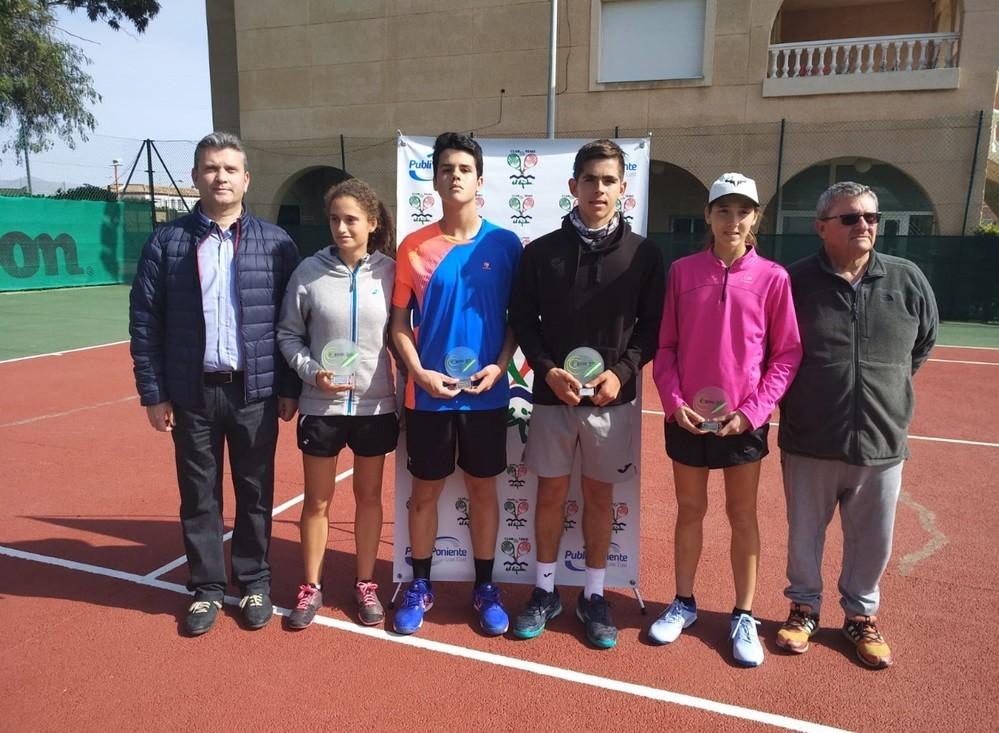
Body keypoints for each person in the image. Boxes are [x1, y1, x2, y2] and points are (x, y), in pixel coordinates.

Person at [129, 131, 300, 636]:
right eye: (210, 168)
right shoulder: (167, 242)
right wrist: (154, 393)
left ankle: (254, 582)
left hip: (255, 392)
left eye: (229, 169)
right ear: (195, 177)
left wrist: (289, 386)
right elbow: (145, 321)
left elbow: (293, 322)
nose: (220, 177)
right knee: (199, 494)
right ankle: (205, 588)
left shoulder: (276, 243)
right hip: (192, 393)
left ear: (246, 179)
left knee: (255, 491)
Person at [508, 139, 664, 649]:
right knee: (550, 495)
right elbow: (523, 322)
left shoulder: (644, 254)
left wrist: (621, 372)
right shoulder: (541, 253)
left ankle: (594, 596)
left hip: (611, 402)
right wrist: (547, 370)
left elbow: (652, 329)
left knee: (599, 498)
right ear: (574, 186)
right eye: (590, 179)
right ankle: (545, 590)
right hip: (552, 398)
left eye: (609, 180)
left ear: (623, 188)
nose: (599, 188)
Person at [775, 181, 937, 669]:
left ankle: (860, 616)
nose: (863, 225)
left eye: (871, 217)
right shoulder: (794, 282)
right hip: (810, 439)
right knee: (805, 534)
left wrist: (884, 390)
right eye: (850, 218)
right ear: (822, 227)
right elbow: (773, 349)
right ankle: (803, 608)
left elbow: (922, 344)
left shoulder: (907, 279)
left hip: (883, 441)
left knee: (873, 539)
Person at [649, 173, 802, 666]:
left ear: (756, 217)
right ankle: (684, 602)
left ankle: (743, 614)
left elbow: (786, 355)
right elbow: (666, 347)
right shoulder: (682, 272)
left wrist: (752, 413)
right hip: (688, 418)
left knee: (742, 515)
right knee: (690, 510)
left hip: (743, 421)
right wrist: (674, 403)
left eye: (743, 211)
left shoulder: (774, 277)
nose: (733, 221)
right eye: (723, 210)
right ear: (708, 215)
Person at [389, 132, 522, 636]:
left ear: (479, 180)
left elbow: (516, 321)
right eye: (446, 168)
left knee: (483, 492)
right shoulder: (413, 247)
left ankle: (485, 588)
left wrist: (501, 367)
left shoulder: (504, 245)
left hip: (486, 396)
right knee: (424, 494)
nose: (455, 176)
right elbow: (399, 325)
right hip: (428, 396)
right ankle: (420, 585)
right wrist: (419, 373)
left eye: (465, 169)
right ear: (435, 179)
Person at [277, 179, 398, 629]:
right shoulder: (308, 272)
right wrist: (312, 372)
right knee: (317, 499)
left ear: (372, 223)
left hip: (374, 406)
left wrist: (406, 394)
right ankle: (311, 586)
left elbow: (402, 338)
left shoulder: (390, 273)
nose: (342, 228)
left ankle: (366, 583)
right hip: (321, 407)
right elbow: (288, 334)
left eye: (351, 219)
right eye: (334, 219)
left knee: (369, 498)